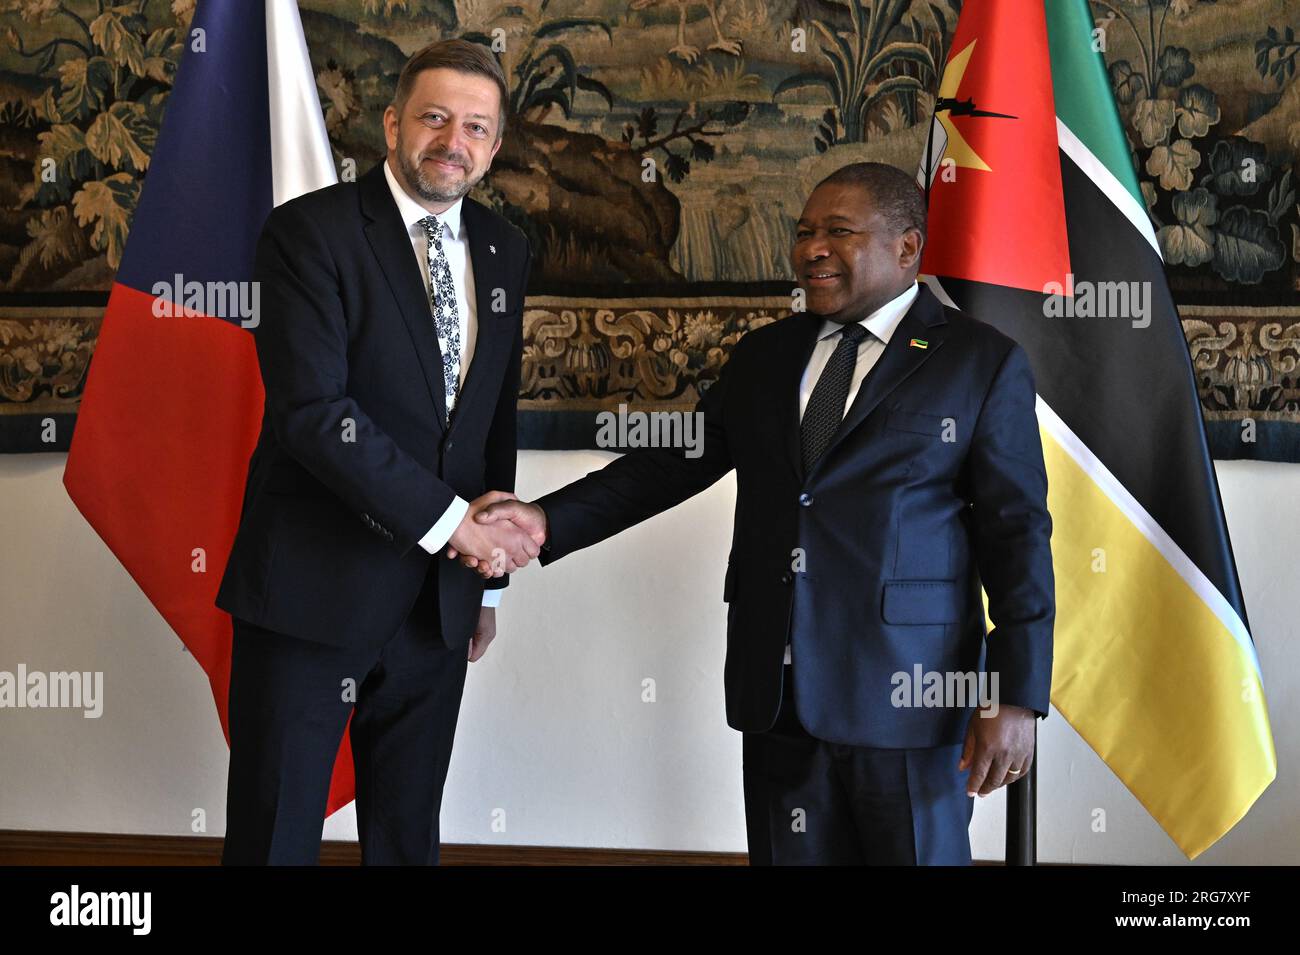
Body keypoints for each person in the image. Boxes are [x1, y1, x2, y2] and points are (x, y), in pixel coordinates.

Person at [455, 162, 1055, 865]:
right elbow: (670, 463)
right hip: (777, 699)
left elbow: (1017, 534)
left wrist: (1015, 694)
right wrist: (545, 520)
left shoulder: (979, 362)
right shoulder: (768, 355)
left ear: (907, 247)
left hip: (908, 701)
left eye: (839, 231)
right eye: (804, 232)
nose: (812, 249)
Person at [215, 39, 537, 865]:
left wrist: (485, 580)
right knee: (275, 833)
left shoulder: (504, 247)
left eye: (475, 126)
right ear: (392, 123)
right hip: (310, 595)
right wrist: (449, 525)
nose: (451, 141)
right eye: (433, 118)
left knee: (406, 837)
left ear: (494, 145)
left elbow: (492, 416)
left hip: (439, 605)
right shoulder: (308, 234)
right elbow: (316, 414)